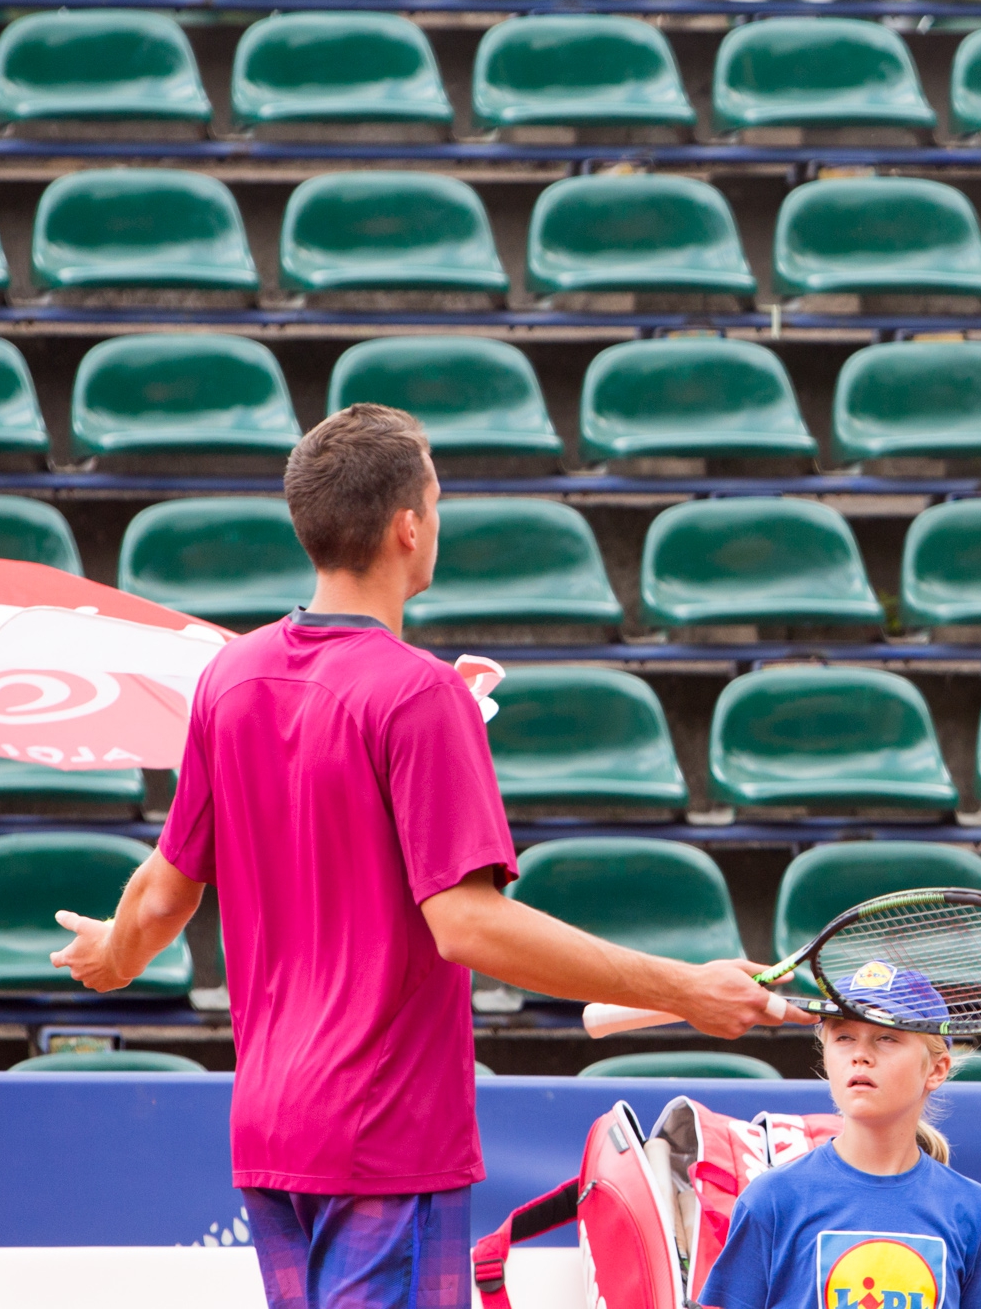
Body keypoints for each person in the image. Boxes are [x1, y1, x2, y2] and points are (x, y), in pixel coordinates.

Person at [50, 403, 786, 1309]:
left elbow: (162, 899)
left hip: (272, 1130)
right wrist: (685, 991)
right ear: (409, 526)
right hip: (384, 1136)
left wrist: (110, 955)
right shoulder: (420, 696)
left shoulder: (229, 679)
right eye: (435, 501)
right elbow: (469, 926)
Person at [702, 970, 981, 1309]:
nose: (860, 1055)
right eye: (844, 1037)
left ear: (936, 1070)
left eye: (887, 1037)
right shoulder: (771, 1200)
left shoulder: (978, 1213)